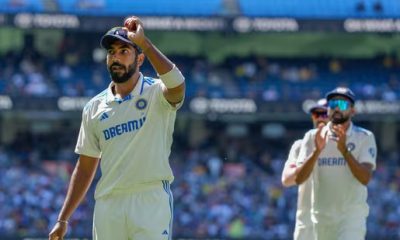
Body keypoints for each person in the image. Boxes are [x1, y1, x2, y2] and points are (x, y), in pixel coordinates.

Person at [49, 16, 185, 240]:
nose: (116, 58)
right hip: (108, 204)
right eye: (112, 52)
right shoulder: (94, 107)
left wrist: (145, 43)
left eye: (124, 51)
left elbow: (178, 85)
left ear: (139, 58)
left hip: (149, 200)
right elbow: (84, 168)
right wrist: (63, 219)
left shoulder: (156, 92)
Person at [295, 87, 377, 240]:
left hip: (351, 217)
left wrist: (344, 151)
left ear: (353, 111)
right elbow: (299, 178)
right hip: (321, 217)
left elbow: (365, 178)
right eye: (333, 104)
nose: (337, 108)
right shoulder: (312, 136)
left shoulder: (364, 137)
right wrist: (316, 152)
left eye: (343, 104)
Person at [281, 98, 328, 240]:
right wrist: (313, 155)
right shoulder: (300, 146)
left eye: (324, 114)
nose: (320, 118)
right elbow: (287, 180)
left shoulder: (346, 146)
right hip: (307, 228)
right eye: (316, 114)